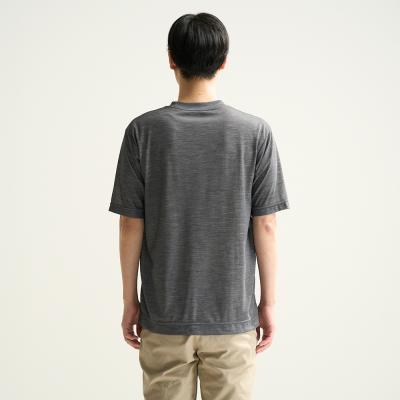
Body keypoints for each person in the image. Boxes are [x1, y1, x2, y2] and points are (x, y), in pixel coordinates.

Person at [108, 12, 290, 400]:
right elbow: (266, 225)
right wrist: (269, 304)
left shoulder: (143, 132)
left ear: (171, 59)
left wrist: (130, 300)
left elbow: (130, 224)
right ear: (224, 62)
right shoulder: (255, 133)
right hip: (232, 317)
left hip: (164, 316)